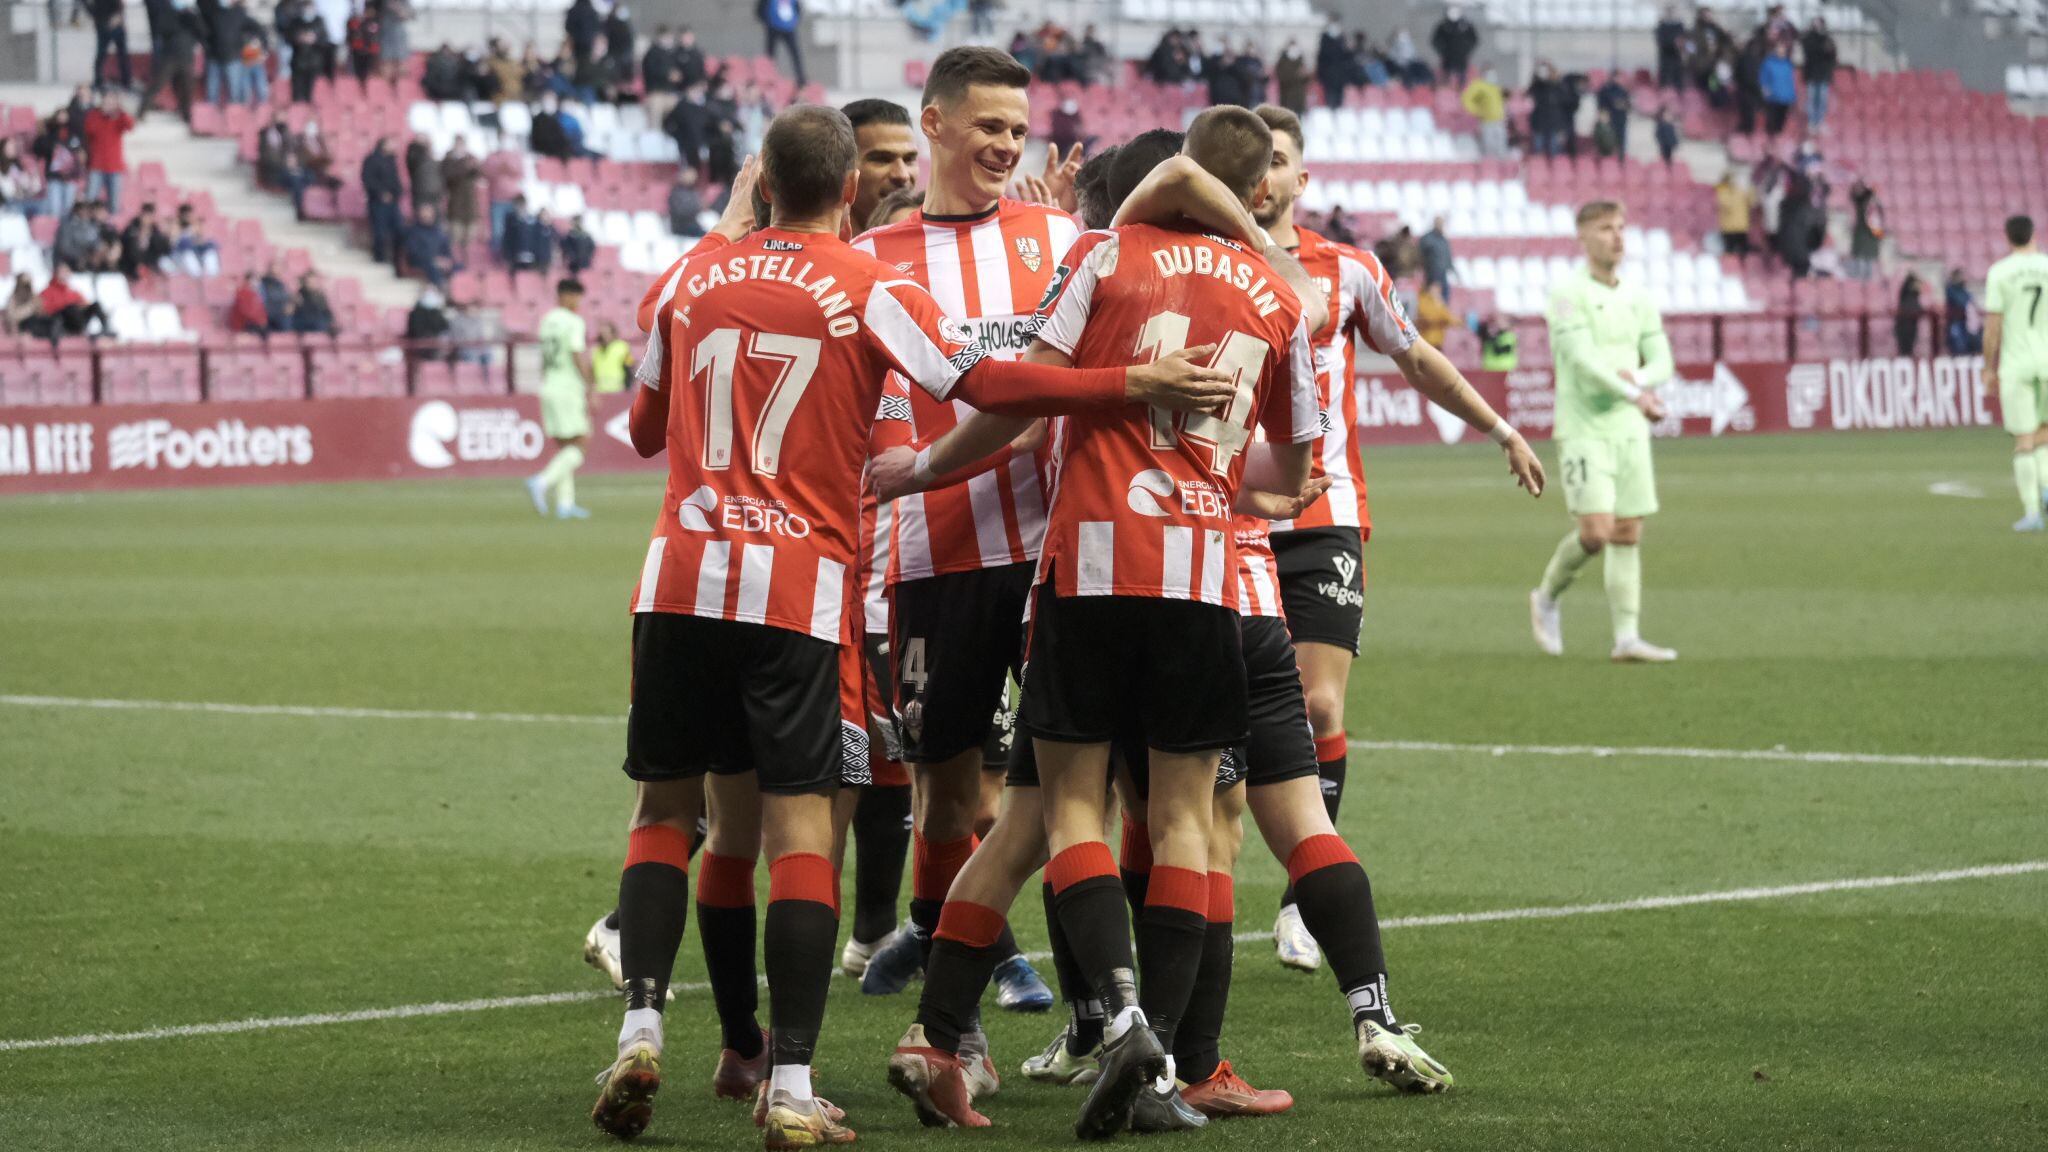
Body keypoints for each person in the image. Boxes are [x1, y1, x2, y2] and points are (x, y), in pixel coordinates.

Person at [589, 101, 1233, 1148]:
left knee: (671, 816)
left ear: (761, 181)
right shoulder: (865, 282)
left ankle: (643, 1025)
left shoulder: (689, 276)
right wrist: (1128, 384)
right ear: (849, 188)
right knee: (805, 831)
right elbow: (985, 382)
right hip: (794, 584)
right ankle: (792, 1083)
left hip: (676, 577)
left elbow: (641, 430)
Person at [839, 51, 1093, 1022]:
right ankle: (958, 1022)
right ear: (934, 126)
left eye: (1016, 132)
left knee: (1069, 795)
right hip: (932, 561)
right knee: (949, 801)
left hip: (1050, 555)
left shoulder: (1057, 236)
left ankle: (1085, 1014)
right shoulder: (877, 260)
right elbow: (885, 428)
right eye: (987, 126)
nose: (1004, 145)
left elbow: (1059, 393)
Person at [1529, 201, 1678, 664]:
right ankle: (1547, 596)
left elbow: (1661, 359)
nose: (1617, 236)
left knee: (1628, 530)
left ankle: (1627, 638)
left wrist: (1642, 384)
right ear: (1584, 236)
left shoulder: (1638, 296)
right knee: (1595, 532)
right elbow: (1585, 364)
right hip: (1584, 427)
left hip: (1629, 428)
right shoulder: (1567, 294)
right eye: (1605, 228)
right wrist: (1638, 393)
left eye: (1620, 227)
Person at [1982, 217, 2048, 530]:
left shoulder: (2000, 272)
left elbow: (1993, 327)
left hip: (2017, 363)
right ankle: (2046, 488)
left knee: (2023, 439)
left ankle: (2033, 513)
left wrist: (1987, 366)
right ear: (2034, 235)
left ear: (2008, 238)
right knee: (2045, 432)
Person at [524, 278, 593, 519]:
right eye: (576, 297)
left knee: (566, 446)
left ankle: (565, 504)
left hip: (550, 386)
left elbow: (545, 357)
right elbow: (576, 354)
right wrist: (590, 386)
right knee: (581, 443)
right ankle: (542, 481)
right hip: (567, 387)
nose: (578, 302)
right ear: (566, 296)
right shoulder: (573, 322)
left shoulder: (546, 320)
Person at [35, 264, 110, 339]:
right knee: (70, 308)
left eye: (66, 273)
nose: (64, 275)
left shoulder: (72, 292)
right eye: (62, 273)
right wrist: (65, 305)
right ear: (56, 274)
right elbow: (44, 310)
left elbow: (85, 303)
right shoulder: (47, 292)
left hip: (78, 321)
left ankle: (106, 330)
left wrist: (80, 306)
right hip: (63, 322)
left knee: (95, 305)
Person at [361, 137, 403, 265]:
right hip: (377, 202)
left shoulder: (391, 161)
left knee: (398, 230)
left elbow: (396, 181)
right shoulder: (371, 160)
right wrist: (380, 194)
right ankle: (379, 257)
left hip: (393, 202)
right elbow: (368, 180)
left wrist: (396, 193)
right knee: (379, 231)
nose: (393, 146)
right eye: (390, 144)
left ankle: (395, 258)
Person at [403, 203, 455, 288]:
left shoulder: (438, 231)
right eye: (425, 214)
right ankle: (442, 288)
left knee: (458, 266)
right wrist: (434, 260)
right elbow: (414, 252)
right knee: (432, 267)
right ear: (420, 215)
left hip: (438, 261)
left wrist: (447, 259)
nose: (427, 216)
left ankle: (462, 293)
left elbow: (446, 249)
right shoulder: (413, 232)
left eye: (429, 214)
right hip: (421, 261)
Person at [442, 137, 481, 252]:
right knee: (455, 237)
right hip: (455, 206)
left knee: (469, 239)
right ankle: (454, 263)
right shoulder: (449, 160)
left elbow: (478, 174)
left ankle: (466, 264)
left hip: (470, 206)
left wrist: (474, 165)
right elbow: (449, 177)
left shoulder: (470, 158)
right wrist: (463, 165)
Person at [1800, 17, 1837, 130]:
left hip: (1824, 75)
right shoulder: (1809, 38)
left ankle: (1820, 121)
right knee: (1811, 99)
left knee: (1822, 100)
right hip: (1812, 74)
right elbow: (1808, 50)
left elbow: (1832, 56)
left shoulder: (1828, 39)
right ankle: (1812, 122)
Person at [1527, 63, 1571, 157]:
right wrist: (1539, 67)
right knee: (1538, 151)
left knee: (1554, 151)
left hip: (1555, 124)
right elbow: (1533, 84)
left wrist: (1562, 128)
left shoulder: (1560, 88)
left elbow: (1566, 105)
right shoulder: (1539, 86)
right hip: (1540, 123)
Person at [1463, 67, 1508, 159]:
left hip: (1499, 120)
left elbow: (1501, 103)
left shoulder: (1496, 87)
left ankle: (1502, 168)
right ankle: (1488, 166)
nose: (1492, 76)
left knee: (1501, 145)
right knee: (1488, 145)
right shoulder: (1478, 86)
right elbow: (1466, 100)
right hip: (1487, 120)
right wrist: (1477, 111)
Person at [119, 200, 171, 279]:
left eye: (150, 216)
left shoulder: (154, 230)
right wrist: (138, 237)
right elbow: (125, 242)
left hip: (149, 261)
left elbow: (163, 248)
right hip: (131, 261)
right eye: (145, 215)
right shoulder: (132, 226)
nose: (147, 218)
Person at [758, 0, 804, 86]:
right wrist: (767, 22)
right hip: (773, 28)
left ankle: (801, 80)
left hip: (789, 29)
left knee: (795, 55)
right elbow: (760, 10)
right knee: (770, 56)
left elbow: (797, 9)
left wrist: (794, 21)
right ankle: (768, 79)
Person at [1430, 5, 1478, 88]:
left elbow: (1474, 40)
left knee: (1461, 79)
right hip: (1448, 57)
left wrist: (1466, 49)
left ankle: (1460, 91)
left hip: (1461, 57)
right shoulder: (1443, 26)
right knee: (1446, 77)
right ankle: (1446, 91)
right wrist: (1443, 51)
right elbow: (1435, 41)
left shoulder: (1466, 26)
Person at [88, 0, 132, 90]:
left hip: (115, 23)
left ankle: (126, 81)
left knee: (121, 55)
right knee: (102, 54)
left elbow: (120, 4)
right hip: (103, 24)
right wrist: (96, 16)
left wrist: (118, 16)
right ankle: (98, 81)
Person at [169, 203, 221, 276]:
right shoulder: (175, 226)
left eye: (189, 214)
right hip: (180, 255)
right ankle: (197, 276)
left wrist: (194, 228)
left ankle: (211, 276)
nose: (187, 217)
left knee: (210, 246)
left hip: (195, 252)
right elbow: (173, 243)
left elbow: (201, 241)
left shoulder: (194, 226)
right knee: (186, 246)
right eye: (185, 215)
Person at [1848, 180, 1884, 281]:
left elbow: (1880, 225)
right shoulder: (1863, 202)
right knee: (1857, 271)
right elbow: (1853, 196)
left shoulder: (1876, 205)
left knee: (1867, 272)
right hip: (1862, 238)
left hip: (1870, 240)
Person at [1716, 171, 1753, 258]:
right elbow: (1724, 204)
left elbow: (1751, 201)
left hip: (1739, 226)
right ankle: (1731, 265)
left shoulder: (1741, 192)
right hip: (1730, 226)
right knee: (1730, 249)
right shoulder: (1722, 191)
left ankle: (1741, 266)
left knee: (1740, 249)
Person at [1759, 46, 1796, 137]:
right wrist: (1764, 89)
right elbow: (1763, 77)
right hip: (1773, 96)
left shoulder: (1787, 64)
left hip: (1785, 96)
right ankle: (1770, 135)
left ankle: (1778, 134)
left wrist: (1792, 95)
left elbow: (1790, 81)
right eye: (1779, 51)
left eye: (1783, 52)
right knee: (1772, 118)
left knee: (1782, 118)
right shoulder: (1768, 63)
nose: (1781, 54)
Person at [1419, 216, 1454, 303]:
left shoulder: (1443, 239)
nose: (1441, 225)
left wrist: (1451, 268)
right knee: (1434, 299)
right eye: (1439, 223)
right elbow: (1420, 255)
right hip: (1433, 274)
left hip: (1443, 273)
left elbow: (1447, 255)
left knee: (1444, 299)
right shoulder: (1427, 239)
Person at [590, 320, 631, 393]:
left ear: (613, 334)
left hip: (617, 389)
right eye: (602, 334)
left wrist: (627, 387)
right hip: (600, 390)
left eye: (606, 333)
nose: (603, 336)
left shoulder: (623, 347)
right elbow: (592, 371)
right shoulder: (595, 351)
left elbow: (629, 368)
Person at [1945, 268, 1979, 355]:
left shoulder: (1963, 290)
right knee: (1959, 347)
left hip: (1965, 323)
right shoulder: (1950, 290)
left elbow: (1970, 299)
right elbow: (1961, 301)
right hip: (1956, 322)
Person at [1654, 5, 1688, 91]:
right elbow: (1661, 41)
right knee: (1665, 85)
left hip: (1677, 59)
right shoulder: (1661, 26)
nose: (1671, 14)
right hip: (1666, 60)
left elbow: (1685, 40)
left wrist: (1682, 45)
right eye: (1669, 12)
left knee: (1678, 84)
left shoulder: (1680, 26)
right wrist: (1674, 43)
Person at [1893, 271, 1923, 357]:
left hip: (1909, 326)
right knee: (1905, 349)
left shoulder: (1911, 296)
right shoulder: (1908, 296)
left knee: (1908, 349)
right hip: (1905, 327)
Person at [667, 168, 705, 236]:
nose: (693, 179)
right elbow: (680, 211)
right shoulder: (676, 193)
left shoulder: (692, 191)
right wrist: (698, 207)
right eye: (690, 176)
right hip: (681, 226)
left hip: (693, 224)